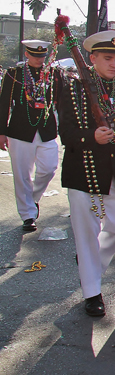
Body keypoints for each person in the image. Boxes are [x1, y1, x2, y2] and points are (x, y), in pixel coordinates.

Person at [58, 31, 115, 317]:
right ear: (92, 58)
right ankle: (92, 292)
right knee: (86, 234)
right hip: (84, 172)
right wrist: (90, 136)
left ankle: (90, 264)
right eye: (108, 58)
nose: (114, 64)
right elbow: (66, 133)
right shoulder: (74, 89)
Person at [0, 39, 63, 232]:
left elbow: (61, 102)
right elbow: (4, 104)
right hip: (20, 130)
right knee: (22, 174)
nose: (39, 59)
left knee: (49, 168)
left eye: (42, 55)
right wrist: (2, 132)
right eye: (35, 55)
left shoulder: (54, 75)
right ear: (27, 54)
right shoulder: (14, 74)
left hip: (46, 130)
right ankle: (28, 215)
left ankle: (32, 199)